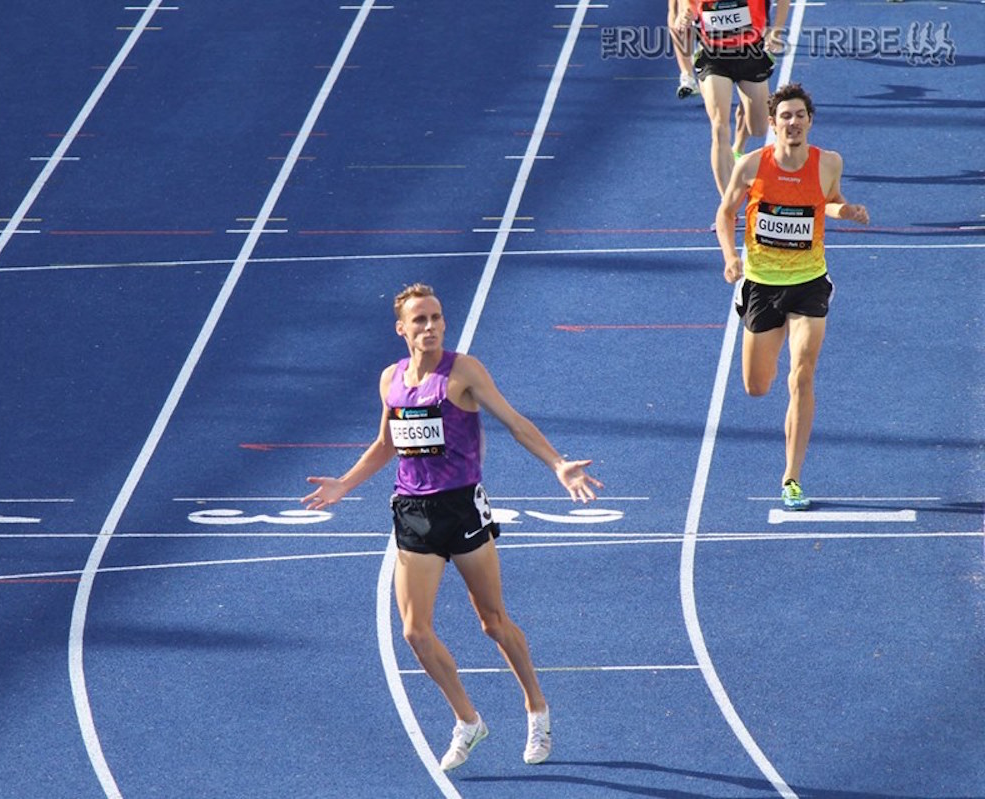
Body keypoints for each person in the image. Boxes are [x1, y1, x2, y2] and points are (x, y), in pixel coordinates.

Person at [301, 283, 602, 771]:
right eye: (419, 320)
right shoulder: (390, 380)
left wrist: (557, 464)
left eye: (436, 318)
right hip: (413, 514)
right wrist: (345, 485)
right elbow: (386, 443)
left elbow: (514, 421)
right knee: (415, 632)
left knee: (492, 622)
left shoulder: (463, 372)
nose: (431, 327)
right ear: (402, 329)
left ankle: (537, 708)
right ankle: (468, 721)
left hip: (462, 510)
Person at [715, 83, 869, 509]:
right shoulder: (750, 166)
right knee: (757, 387)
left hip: (809, 281)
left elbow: (830, 202)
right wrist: (731, 257)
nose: (793, 122)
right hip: (762, 284)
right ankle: (758, 324)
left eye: (800, 115)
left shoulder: (829, 163)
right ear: (774, 122)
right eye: (786, 116)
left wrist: (846, 210)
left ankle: (791, 478)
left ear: (810, 121)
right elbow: (725, 213)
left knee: (801, 374)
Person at [675, 0, 791, 196]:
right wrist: (685, 15)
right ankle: (727, 204)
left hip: (751, 53)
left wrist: (776, 30)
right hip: (713, 57)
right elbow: (689, 6)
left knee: (759, 128)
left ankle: (738, 143)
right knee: (719, 128)